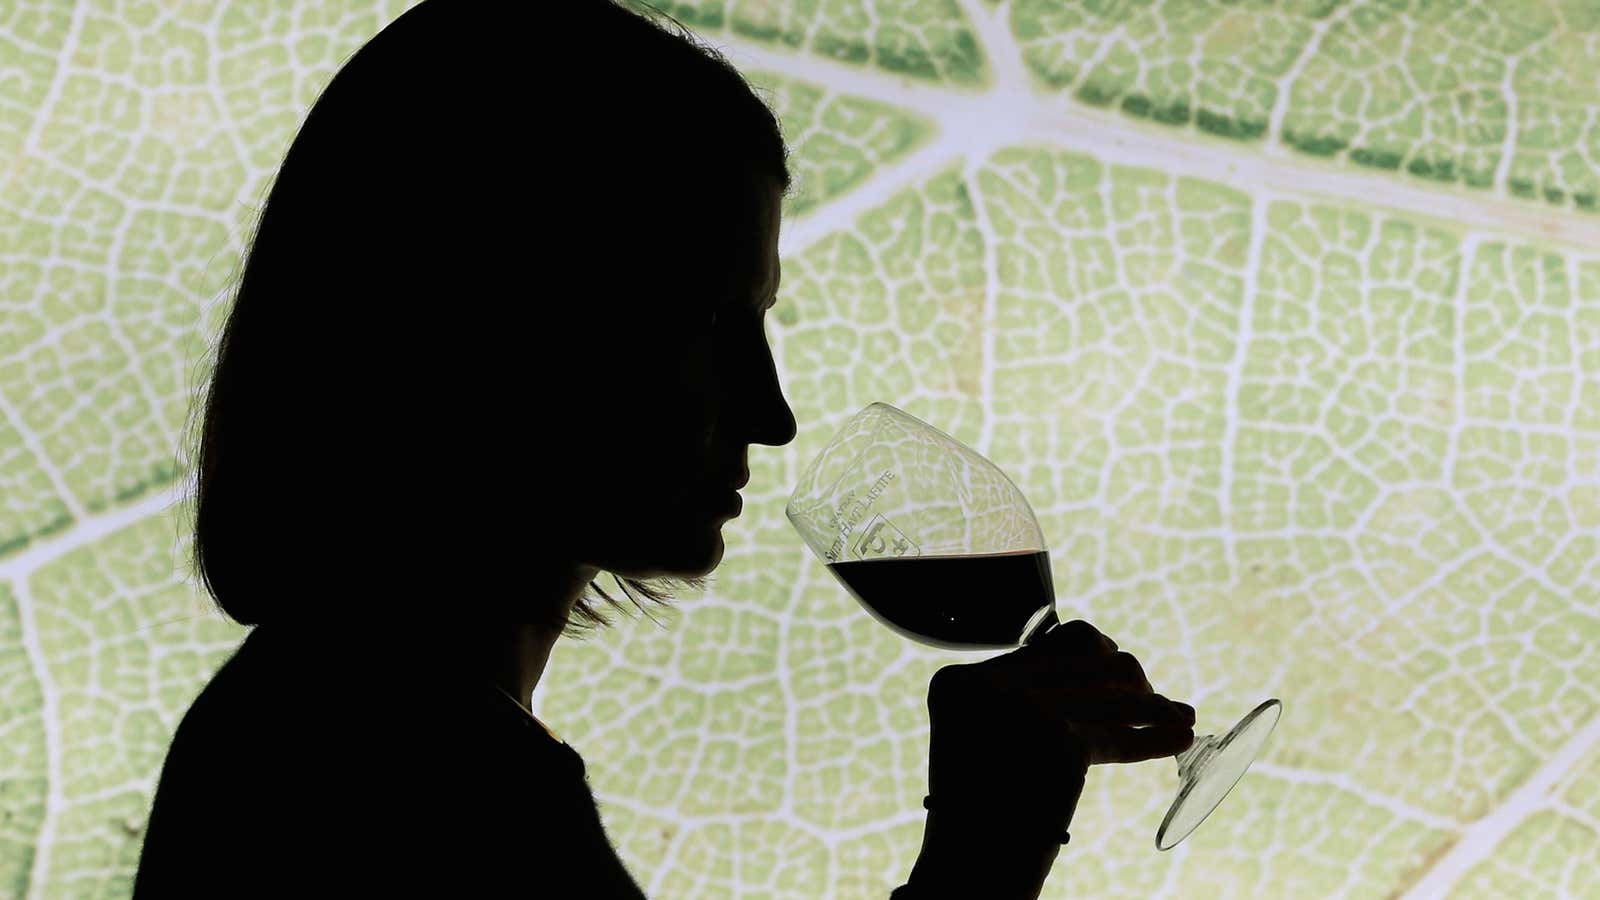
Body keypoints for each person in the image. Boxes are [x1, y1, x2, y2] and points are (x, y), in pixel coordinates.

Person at [131, 1, 1196, 897]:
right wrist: (980, 856)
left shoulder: (319, 724)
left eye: (761, 325)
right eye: (704, 325)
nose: (772, 414)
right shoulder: (407, 774)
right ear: (499, 328)